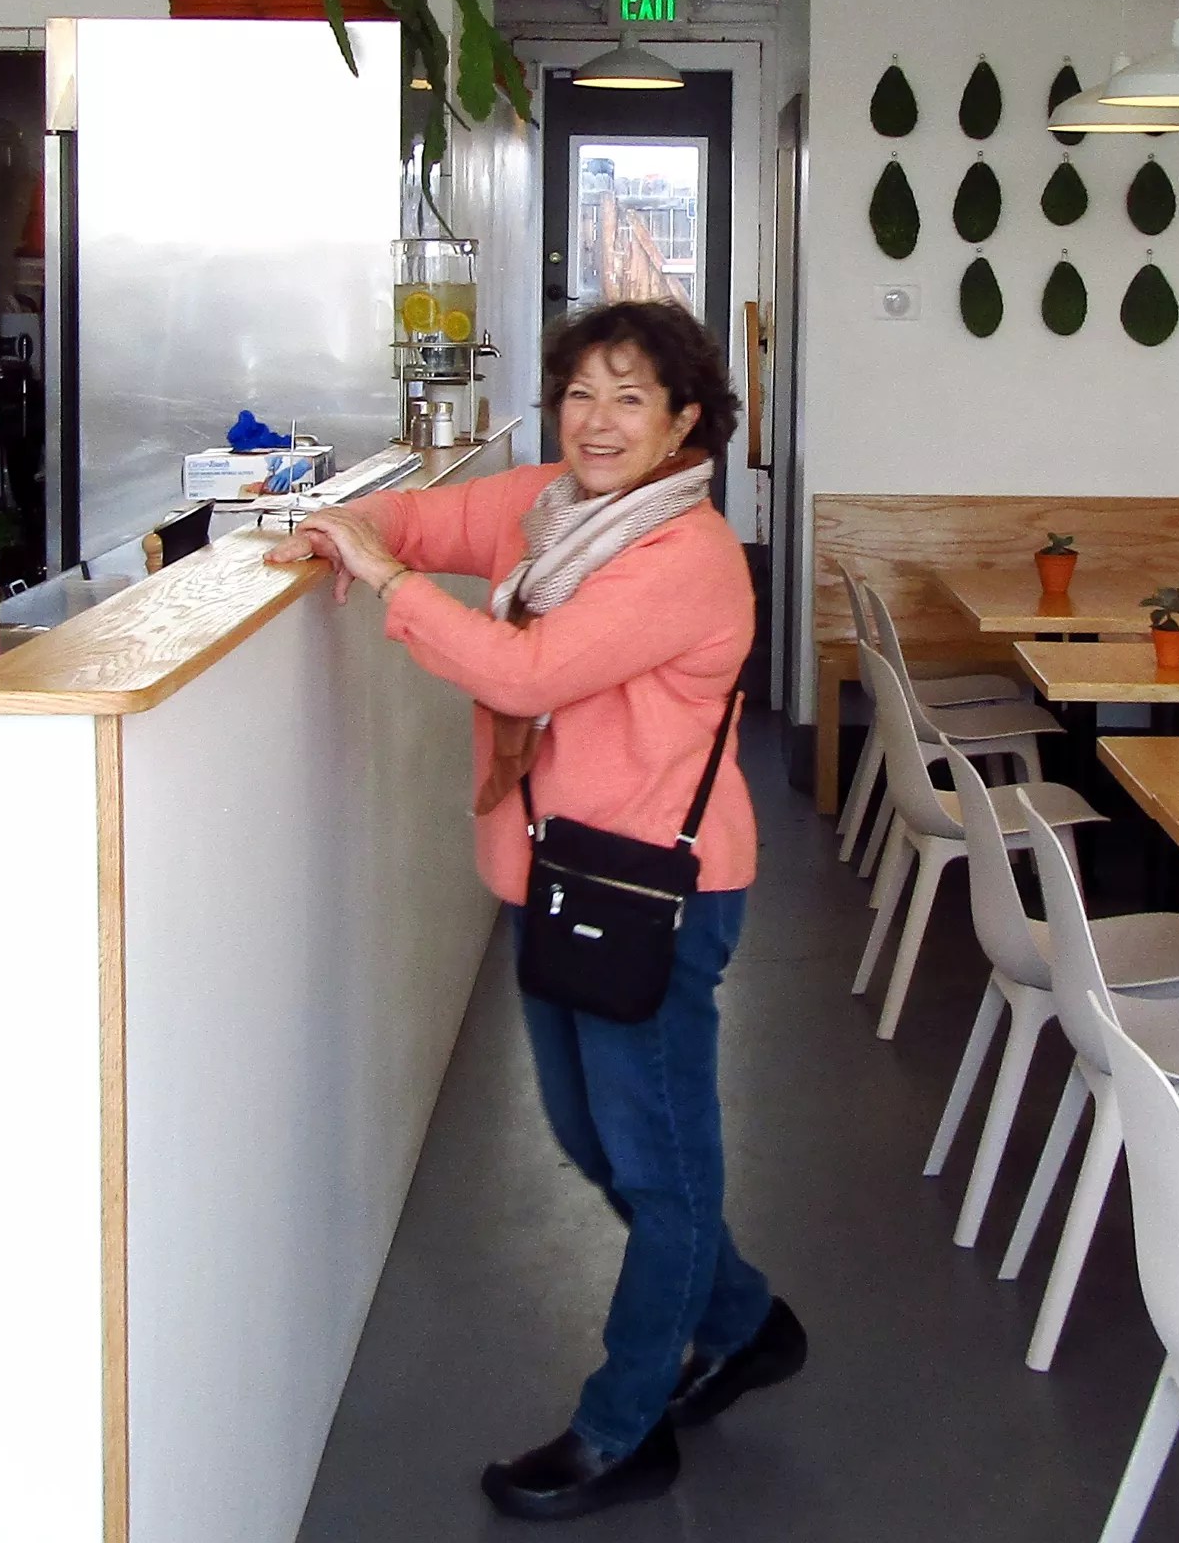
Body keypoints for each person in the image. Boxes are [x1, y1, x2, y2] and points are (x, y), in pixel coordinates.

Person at [274, 298, 803, 1521]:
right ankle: (744, 1322)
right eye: (579, 393)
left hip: (654, 897)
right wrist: (341, 527)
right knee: (587, 1136)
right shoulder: (547, 508)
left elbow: (525, 672)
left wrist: (389, 580)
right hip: (556, 881)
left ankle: (624, 1429)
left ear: (684, 421)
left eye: (630, 397)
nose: (597, 420)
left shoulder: (685, 556)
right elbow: (422, 516)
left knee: (659, 1172)